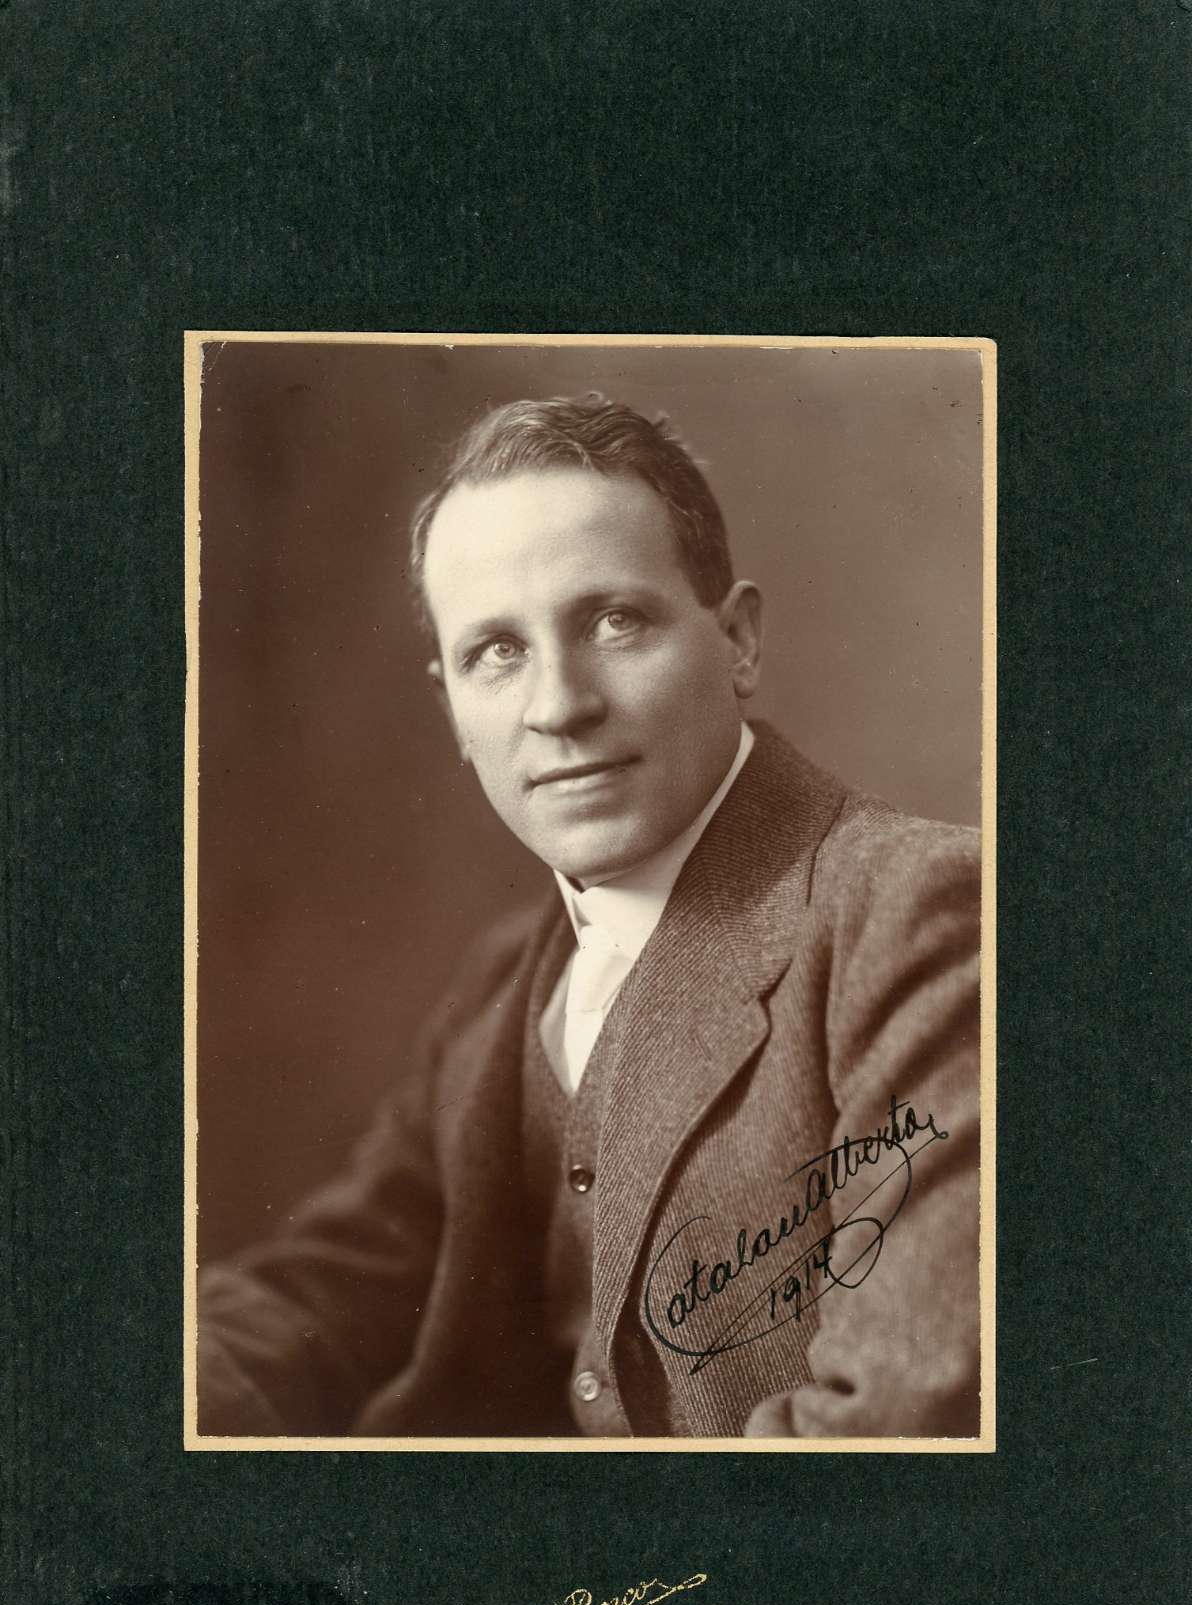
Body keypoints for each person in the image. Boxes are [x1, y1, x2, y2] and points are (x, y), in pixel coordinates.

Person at [197, 392, 981, 1441]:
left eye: (615, 621)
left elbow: (901, 1422)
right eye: (496, 651)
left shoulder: (919, 912)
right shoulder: (504, 981)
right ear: (451, 707)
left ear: (738, 640)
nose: (559, 705)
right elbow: (339, 1282)